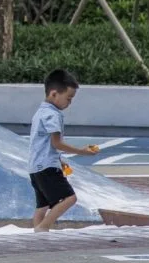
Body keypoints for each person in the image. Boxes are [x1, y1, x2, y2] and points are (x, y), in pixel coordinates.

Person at [27, 70, 100, 231]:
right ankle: (44, 227)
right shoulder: (53, 115)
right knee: (70, 198)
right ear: (54, 94)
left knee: (42, 205)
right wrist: (82, 151)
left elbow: (43, 144)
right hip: (47, 167)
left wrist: (60, 161)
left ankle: (38, 235)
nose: (70, 103)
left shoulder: (40, 113)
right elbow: (56, 143)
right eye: (68, 98)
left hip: (35, 167)